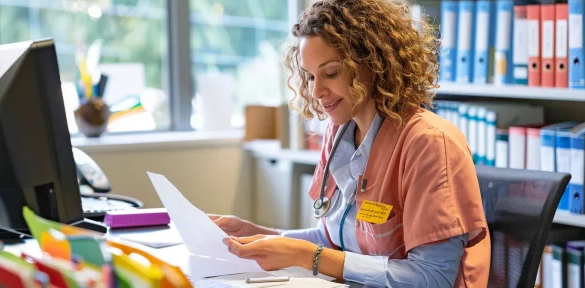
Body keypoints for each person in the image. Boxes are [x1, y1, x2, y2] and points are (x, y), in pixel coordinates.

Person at [208, 0, 490, 287]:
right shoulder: (341, 131)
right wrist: (263, 237)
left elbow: (433, 277)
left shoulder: (429, 143)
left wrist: (309, 257)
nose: (316, 92)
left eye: (331, 73)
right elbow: (335, 238)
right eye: (309, 77)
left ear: (374, 62)